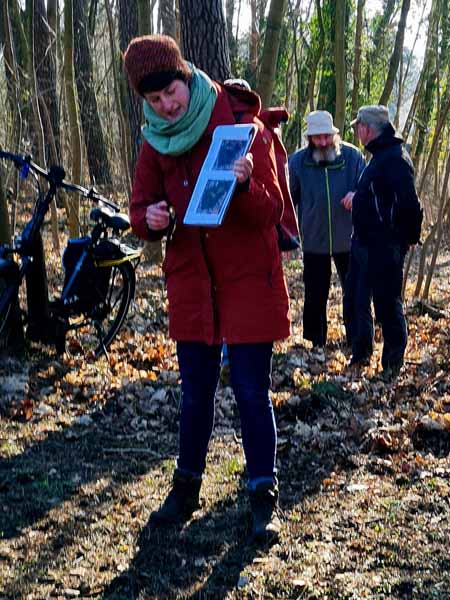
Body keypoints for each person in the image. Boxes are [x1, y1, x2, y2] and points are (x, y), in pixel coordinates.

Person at [123, 35, 290, 543]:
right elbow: (139, 210)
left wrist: (245, 185)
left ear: (185, 77)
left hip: (248, 281)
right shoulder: (155, 141)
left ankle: (263, 495)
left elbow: (271, 211)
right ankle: (186, 489)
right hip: (193, 285)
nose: (167, 105)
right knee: (195, 395)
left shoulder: (241, 126)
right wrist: (150, 220)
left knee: (250, 391)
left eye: (171, 92)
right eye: (155, 99)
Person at [343, 105, 421, 380]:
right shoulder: (379, 156)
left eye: (358, 127)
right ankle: (361, 353)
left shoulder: (395, 158)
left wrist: (406, 238)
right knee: (356, 300)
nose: (357, 132)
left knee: (387, 305)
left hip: (384, 246)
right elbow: (375, 196)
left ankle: (391, 366)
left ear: (367, 128)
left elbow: (409, 204)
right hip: (363, 243)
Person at [288, 111, 365, 349]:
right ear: (309, 138)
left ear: (334, 135)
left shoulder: (353, 157)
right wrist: (289, 238)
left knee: (355, 291)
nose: (322, 142)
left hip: (349, 237)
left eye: (326, 137)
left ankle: (356, 340)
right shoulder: (297, 163)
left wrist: (357, 195)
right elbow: (289, 202)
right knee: (315, 293)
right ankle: (316, 342)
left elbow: (369, 189)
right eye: (317, 137)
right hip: (314, 238)